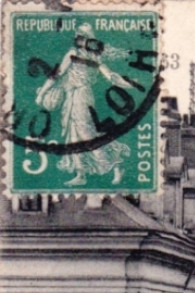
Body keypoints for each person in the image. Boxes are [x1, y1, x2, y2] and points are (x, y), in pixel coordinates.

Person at [34, 25, 132, 187]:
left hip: (82, 96)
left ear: (89, 39)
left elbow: (111, 77)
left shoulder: (87, 56)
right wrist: (42, 93)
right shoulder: (82, 55)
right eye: (78, 36)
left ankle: (116, 165)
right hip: (73, 96)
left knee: (87, 135)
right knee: (73, 135)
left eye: (82, 36)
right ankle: (81, 174)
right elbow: (57, 74)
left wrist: (41, 94)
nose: (78, 38)